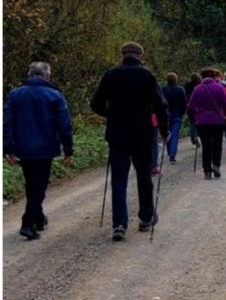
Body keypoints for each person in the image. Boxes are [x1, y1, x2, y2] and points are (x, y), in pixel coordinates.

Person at [91, 42, 169, 241]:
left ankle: (119, 223)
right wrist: (164, 130)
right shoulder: (147, 75)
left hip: (117, 134)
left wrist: (112, 114)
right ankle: (145, 217)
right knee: (144, 177)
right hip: (142, 133)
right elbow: (161, 105)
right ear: (141, 56)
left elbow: (95, 103)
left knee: (119, 180)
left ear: (122, 54)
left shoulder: (111, 74)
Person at [4, 62, 74, 240]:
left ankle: (39, 218)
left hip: (23, 148)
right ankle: (27, 223)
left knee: (31, 185)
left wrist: (7, 148)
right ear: (46, 76)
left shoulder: (15, 95)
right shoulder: (54, 96)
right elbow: (64, 124)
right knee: (39, 187)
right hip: (45, 148)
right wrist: (68, 149)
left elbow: (7, 123)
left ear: (29, 75)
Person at [186, 67, 226, 181]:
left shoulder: (198, 89)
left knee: (206, 146)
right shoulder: (219, 88)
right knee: (217, 144)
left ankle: (207, 170)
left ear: (202, 76)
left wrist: (194, 117)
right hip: (217, 120)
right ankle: (216, 165)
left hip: (202, 122)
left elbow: (190, 107)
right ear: (213, 76)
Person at [160, 73, 187, 164]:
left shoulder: (163, 89)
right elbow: (184, 103)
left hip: (166, 115)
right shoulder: (180, 89)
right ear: (176, 79)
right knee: (175, 135)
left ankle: (169, 150)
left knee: (168, 133)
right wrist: (182, 113)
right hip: (177, 114)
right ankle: (172, 155)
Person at [184, 73, 202, 147]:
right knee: (200, 123)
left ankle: (193, 138)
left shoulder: (186, 86)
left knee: (192, 124)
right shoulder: (200, 86)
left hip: (190, 107)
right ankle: (198, 136)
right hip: (199, 107)